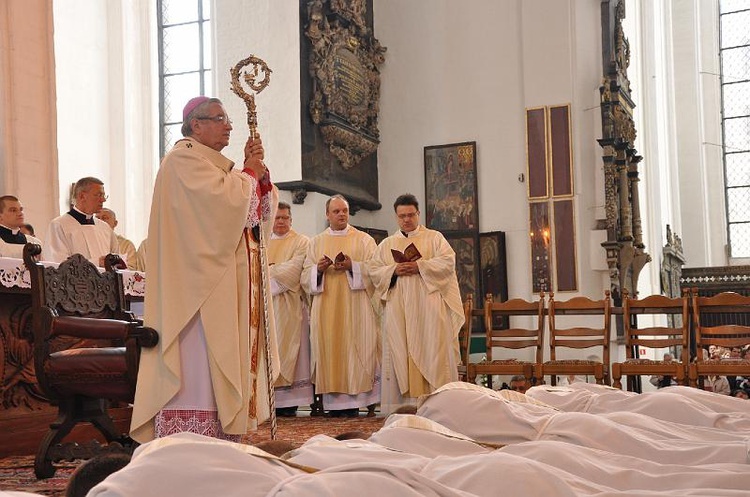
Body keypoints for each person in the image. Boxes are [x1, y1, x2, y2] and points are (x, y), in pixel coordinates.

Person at [130, 96, 279, 443]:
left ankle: (221, 433)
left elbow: (252, 219)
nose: (228, 125)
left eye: (227, 119)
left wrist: (258, 176)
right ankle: (188, 438)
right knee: (197, 363)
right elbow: (222, 210)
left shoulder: (217, 168)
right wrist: (248, 175)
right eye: (220, 118)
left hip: (224, 284)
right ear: (196, 125)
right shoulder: (182, 160)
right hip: (196, 292)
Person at [368, 194, 463, 414]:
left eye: (411, 215)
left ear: (418, 214)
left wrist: (420, 267)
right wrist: (394, 270)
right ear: (396, 217)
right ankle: (403, 407)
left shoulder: (434, 238)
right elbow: (373, 271)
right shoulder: (387, 244)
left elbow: (448, 263)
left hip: (428, 308)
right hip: (398, 308)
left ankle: (440, 406)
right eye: (402, 216)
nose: (407, 220)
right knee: (401, 349)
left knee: (433, 349)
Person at [301, 194, 381, 417]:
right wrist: (318, 269)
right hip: (326, 308)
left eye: (344, 210)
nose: (341, 214)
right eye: (336, 211)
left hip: (357, 308)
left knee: (357, 349)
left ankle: (359, 401)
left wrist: (352, 266)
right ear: (327, 215)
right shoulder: (316, 242)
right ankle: (333, 404)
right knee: (329, 349)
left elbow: (374, 270)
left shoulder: (364, 240)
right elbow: (304, 277)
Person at [268, 201, 313, 417]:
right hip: (266, 308)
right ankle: (268, 401)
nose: (281, 222)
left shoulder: (302, 241)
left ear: (291, 219)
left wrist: (268, 272)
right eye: (277, 218)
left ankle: (291, 401)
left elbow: (296, 268)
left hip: (292, 306)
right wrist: (271, 273)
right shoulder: (262, 241)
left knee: (293, 352)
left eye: (285, 217)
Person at [44, 176, 119, 266]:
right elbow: (57, 263)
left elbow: (117, 260)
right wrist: (96, 263)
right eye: (98, 195)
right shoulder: (59, 225)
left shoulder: (104, 227)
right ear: (82, 196)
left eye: (103, 195)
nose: (103, 199)